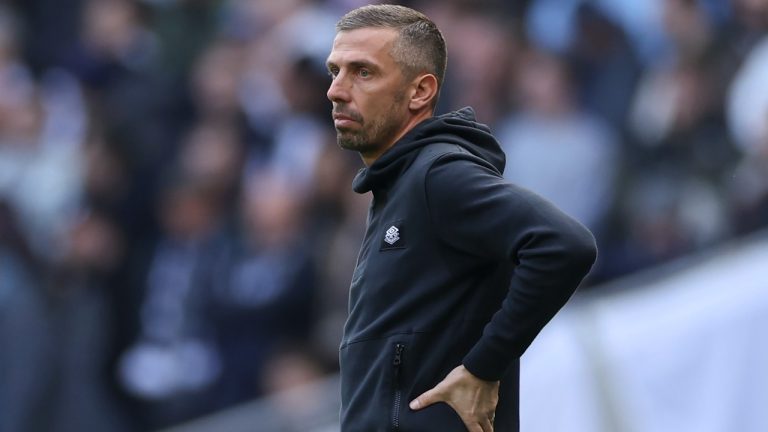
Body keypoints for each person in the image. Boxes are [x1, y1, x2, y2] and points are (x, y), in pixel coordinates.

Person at [325, 5, 597, 432]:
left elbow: (564, 244)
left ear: (421, 92)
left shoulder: (437, 176)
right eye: (334, 71)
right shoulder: (400, 187)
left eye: (362, 72)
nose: (336, 90)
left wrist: (483, 367)